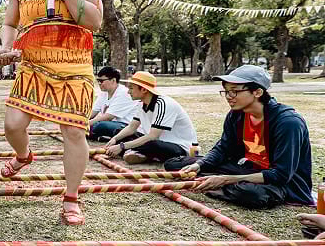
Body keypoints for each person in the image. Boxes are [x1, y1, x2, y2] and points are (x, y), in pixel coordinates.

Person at [0, 0, 103, 226]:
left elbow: (94, 22)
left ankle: (71, 197)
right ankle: (23, 156)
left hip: (74, 65)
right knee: (13, 124)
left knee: (72, 130)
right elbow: (9, 22)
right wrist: (6, 46)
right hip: (33, 63)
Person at [171, 65, 313, 209]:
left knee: (251, 194)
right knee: (177, 165)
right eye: (226, 92)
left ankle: (218, 185)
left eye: (234, 92)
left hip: (278, 182)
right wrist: (199, 165)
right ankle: (217, 184)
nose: (228, 97)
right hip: (247, 168)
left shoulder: (288, 122)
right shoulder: (236, 114)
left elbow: (281, 175)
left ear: (257, 92)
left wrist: (226, 179)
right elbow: (223, 149)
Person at [104, 71, 199, 165]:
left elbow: (152, 136)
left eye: (131, 88)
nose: (128, 92)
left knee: (151, 144)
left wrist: (122, 146)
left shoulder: (163, 104)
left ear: (144, 90)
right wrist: (115, 139)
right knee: (119, 132)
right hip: (157, 141)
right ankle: (141, 154)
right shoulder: (141, 104)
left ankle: (141, 154)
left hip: (179, 146)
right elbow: (131, 127)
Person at [88, 66, 137, 141]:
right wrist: (80, 121)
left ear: (113, 80)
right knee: (96, 125)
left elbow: (108, 117)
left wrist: (85, 124)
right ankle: (100, 136)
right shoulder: (104, 93)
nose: (99, 83)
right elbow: (92, 113)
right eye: (98, 80)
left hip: (125, 126)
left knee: (100, 125)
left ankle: (94, 134)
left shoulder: (124, 93)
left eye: (101, 81)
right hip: (111, 124)